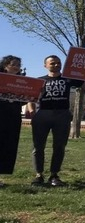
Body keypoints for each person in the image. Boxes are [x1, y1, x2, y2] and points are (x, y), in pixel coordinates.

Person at [27, 55, 85, 187]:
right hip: (43, 114)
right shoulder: (39, 80)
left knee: (59, 146)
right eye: (52, 63)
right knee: (38, 147)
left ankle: (54, 175)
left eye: (58, 63)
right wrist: (32, 113)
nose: (56, 65)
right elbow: (30, 97)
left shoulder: (68, 78)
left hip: (62, 115)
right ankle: (39, 175)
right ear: (45, 65)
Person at [0, 55, 25, 187]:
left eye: (18, 65)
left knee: (7, 145)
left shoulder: (23, 81)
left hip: (13, 117)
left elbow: (24, 101)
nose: (16, 67)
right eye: (13, 64)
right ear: (5, 65)